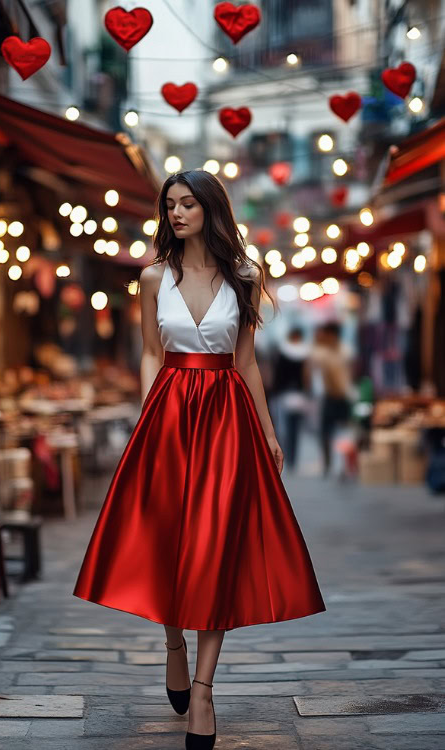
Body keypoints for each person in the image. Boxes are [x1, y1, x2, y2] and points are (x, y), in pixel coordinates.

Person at [73, 170, 326, 749]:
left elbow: (248, 363)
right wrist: (147, 415)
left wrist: (267, 432)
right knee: (167, 538)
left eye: (188, 204)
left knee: (216, 546)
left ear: (212, 209)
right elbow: (146, 355)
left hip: (227, 419)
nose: (177, 214)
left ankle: (205, 690)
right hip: (166, 414)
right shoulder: (152, 277)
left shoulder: (246, 274)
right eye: (170, 206)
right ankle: (173, 644)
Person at [308, 321, 353, 476]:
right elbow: (312, 363)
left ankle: (342, 465)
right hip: (329, 396)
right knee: (326, 432)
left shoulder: (345, 351)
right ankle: (329, 463)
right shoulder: (321, 352)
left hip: (343, 396)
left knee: (343, 432)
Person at [269, 327, 310, 471]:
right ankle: (293, 458)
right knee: (295, 429)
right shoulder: (305, 353)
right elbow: (306, 377)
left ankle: (286, 455)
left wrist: (275, 391)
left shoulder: (282, 352)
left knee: (283, 427)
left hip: (284, 394)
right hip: (298, 394)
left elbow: (277, 375)